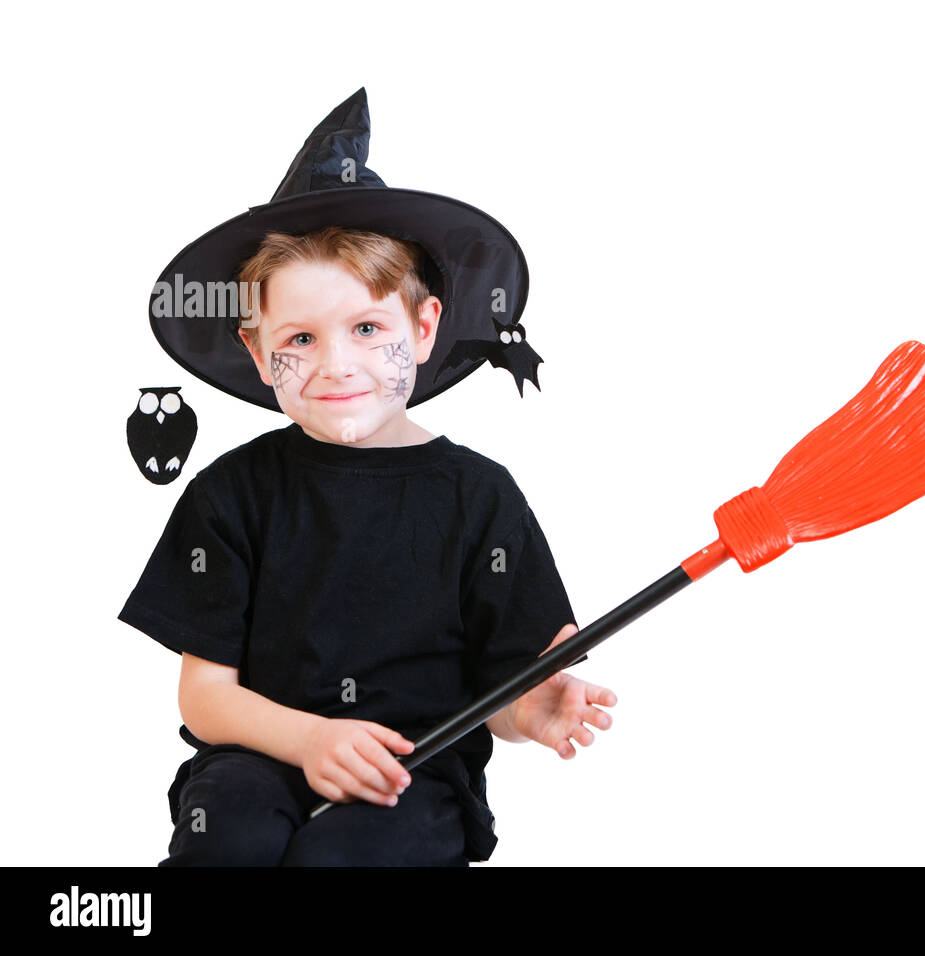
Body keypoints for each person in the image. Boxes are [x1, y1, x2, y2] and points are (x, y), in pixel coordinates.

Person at [118, 89, 613, 865]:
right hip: (255, 760)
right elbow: (204, 697)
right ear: (258, 353)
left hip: (412, 772)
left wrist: (530, 706)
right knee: (233, 834)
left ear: (422, 330)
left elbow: (508, 682)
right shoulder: (229, 496)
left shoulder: (480, 499)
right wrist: (312, 738)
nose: (336, 364)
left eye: (367, 329)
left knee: (348, 853)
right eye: (301, 338)